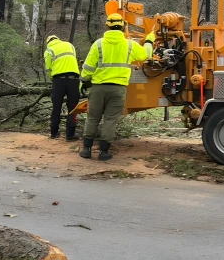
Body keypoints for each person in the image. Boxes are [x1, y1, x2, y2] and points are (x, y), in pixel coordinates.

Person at [78, 13, 155, 160]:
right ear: (123, 26)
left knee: (93, 118)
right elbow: (146, 54)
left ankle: (86, 150)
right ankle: (104, 152)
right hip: (118, 89)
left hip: (98, 87)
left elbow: (88, 66)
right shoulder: (129, 44)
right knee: (110, 120)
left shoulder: (98, 44)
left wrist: (84, 80)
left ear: (107, 26)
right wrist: (149, 41)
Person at [44, 35, 80, 140]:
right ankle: (70, 134)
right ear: (58, 39)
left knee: (56, 106)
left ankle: (54, 133)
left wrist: (53, 78)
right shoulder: (70, 45)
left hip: (58, 80)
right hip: (74, 79)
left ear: (48, 42)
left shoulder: (49, 50)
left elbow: (48, 68)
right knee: (73, 107)